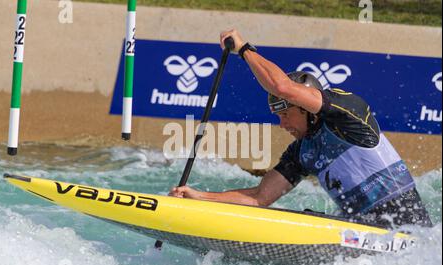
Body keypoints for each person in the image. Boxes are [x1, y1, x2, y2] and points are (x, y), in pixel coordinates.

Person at [169, 29, 433, 229]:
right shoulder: (302, 152)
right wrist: (200, 197)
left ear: (305, 106)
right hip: (358, 231)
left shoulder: (349, 116)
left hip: (408, 228)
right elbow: (260, 198)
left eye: (285, 114)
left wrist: (244, 49)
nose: (282, 124)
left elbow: (282, 87)